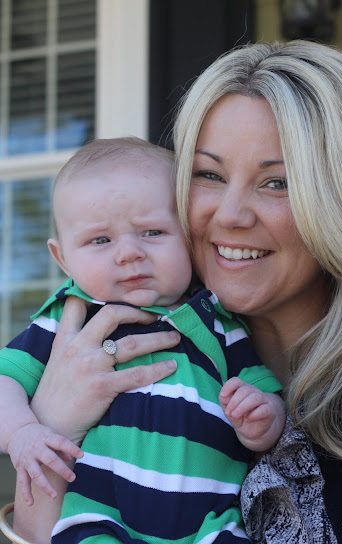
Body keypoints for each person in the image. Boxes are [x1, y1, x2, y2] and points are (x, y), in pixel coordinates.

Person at [8, 39, 342, 544]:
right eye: (209, 175)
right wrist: (52, 423)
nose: (230, 215)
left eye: (277, 182)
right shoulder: (84, 333)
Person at [0, 137, 284, 543]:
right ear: (62, 258)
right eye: (101, 240)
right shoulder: (70, 320)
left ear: (188, 236)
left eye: (152, 232)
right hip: (102, 519)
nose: (129, 253)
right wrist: (22, 432)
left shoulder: (217, 321)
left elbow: (265, 397)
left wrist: (261, 419)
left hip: (209, 526)